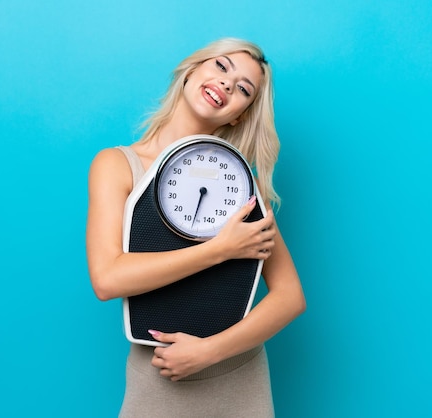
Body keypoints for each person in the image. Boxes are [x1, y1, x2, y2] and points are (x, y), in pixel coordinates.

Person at [86, 38, 306, 417]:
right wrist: (220, 249)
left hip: (239, 378)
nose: (226, 84)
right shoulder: (117, 165)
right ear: (192, 70)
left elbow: (290, 296)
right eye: (221, 67)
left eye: (243, 89)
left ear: (239, 114)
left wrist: (208, 351)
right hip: (159, 376)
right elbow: (107, 279)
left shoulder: (240, 184)